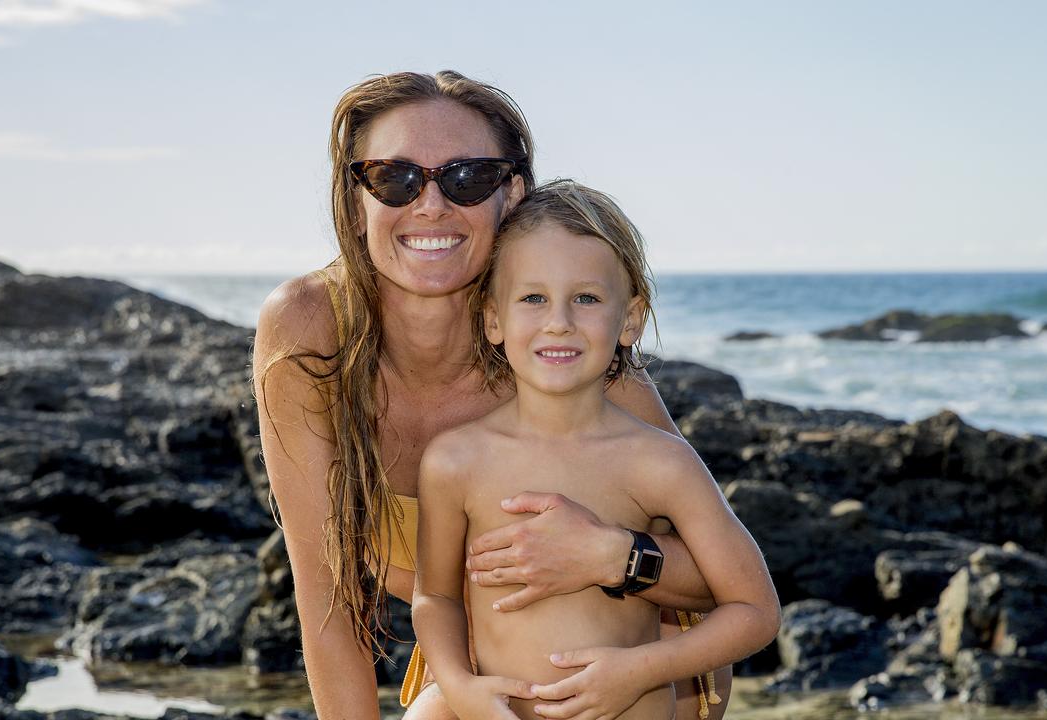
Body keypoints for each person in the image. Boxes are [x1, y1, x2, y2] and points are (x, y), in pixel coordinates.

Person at [252, 70, 735, 720]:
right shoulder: (308, 333)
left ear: (512, 194)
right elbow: (325, 599)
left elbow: (720, 579)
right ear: (355, 194)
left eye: (467, 177)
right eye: (395, 176)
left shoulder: (559, 355)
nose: (430, 205)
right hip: (477, 673)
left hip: (638, 671)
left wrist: (612, 556)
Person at [412, 181, 780, 720]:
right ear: (494, 319)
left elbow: (754, 609)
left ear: (629, 319)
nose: (558, 320)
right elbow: (436, 599)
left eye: (586, 298)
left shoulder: (661, 462)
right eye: (533, 298)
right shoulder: (454, 461)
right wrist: (460, 686)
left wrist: (642, 670)